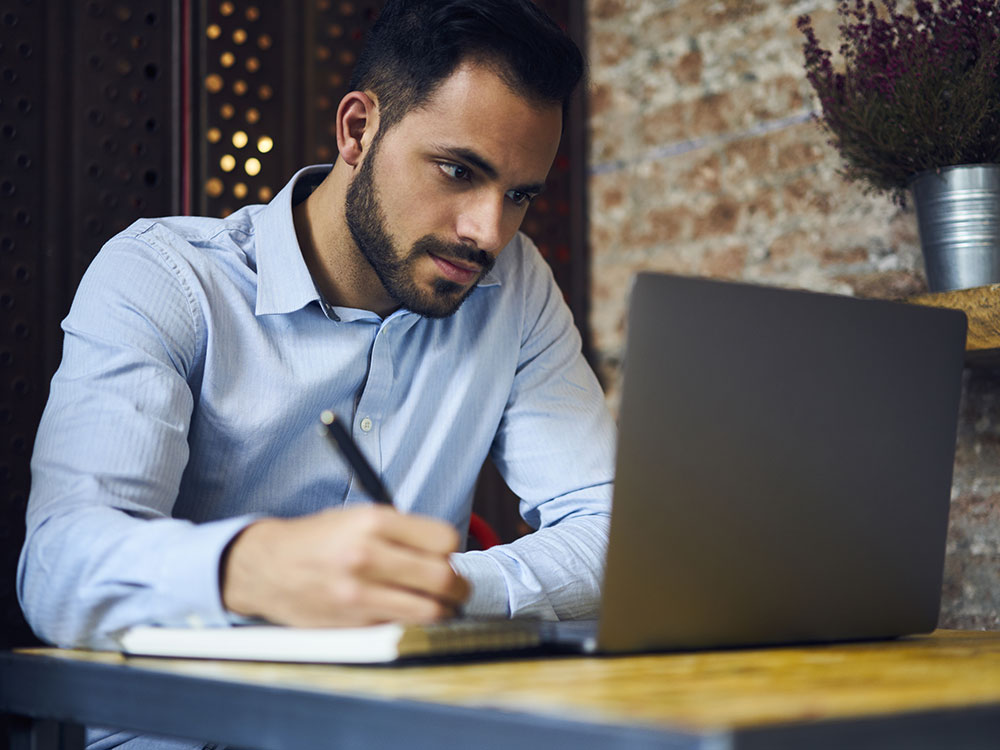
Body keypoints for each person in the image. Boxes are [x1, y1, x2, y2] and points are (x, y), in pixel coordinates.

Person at [19, 0, 614, 667]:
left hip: (404, 722)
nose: (488, 232)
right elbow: (56, 569)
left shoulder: (513, 284)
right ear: (358, 131)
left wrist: (438, 591)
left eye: (519, 195)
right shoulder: (166, 277)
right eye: (458, 171)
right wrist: (251, 569)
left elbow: (612, 532)